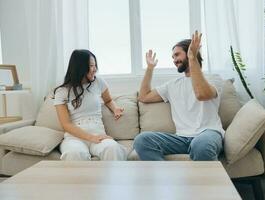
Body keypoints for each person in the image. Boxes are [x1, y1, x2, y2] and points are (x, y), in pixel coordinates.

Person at [134, 31, 224, 161]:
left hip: (208, 134)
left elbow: (202, 95)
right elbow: (143, 97)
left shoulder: (214, 79)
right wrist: (150, 68)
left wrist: (193, 58)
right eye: (173, 57)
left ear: (189, 53)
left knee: (201, 145)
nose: (175, 60)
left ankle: (204, 181)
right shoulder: (172, 85)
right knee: (142, 140)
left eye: (177, 55)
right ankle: (166, 178)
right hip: (181, 138)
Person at [54, 49, 127, 161]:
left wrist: (115, 108)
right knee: (73, 154)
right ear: (80, 67)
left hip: (98, 133)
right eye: (91, 66)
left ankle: (115, 179)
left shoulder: (98, 82)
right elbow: (66, 124)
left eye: (95, 65)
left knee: (113, 148)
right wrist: (91, 138)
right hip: (74, 138)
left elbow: (108, 100)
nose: (95, 69)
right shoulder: (62, 91)